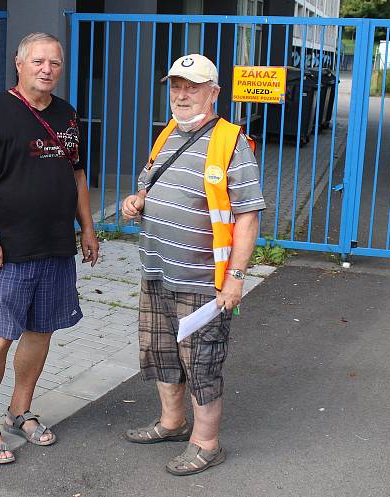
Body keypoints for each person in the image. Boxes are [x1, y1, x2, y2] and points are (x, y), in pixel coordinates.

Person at [0, 32, 99, 465]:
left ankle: (20, 410)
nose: (46, 69)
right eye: (38, 61)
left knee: (40, 332)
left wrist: (87, 229)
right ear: (19, 64)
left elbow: (76, 176)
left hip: (55, 247)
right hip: (6, 252)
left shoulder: (68, 116)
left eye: (54, 62)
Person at [121, 53, 265, 476]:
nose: (182, 94)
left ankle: (206, 443)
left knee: (202, 361)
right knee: (162, 352)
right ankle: (172, 423)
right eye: (176, 86)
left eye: (193, 87)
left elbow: (248, 215)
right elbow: (149, 184)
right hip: (157, 270)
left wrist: (236, 279)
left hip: (204, 281)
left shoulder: (230, 142)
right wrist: (136, 202)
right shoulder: (169, 132)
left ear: (214, 93)